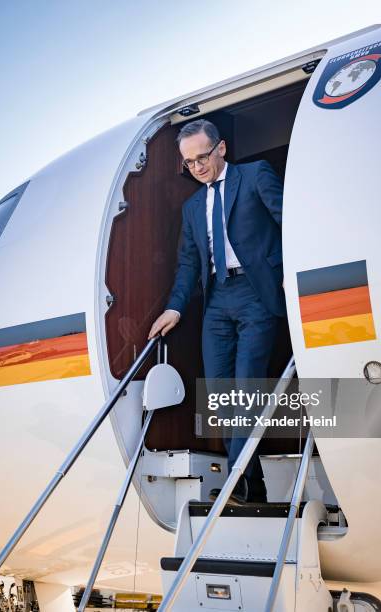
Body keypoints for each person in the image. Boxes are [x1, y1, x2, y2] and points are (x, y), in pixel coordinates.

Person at [148, 119, 285, 504]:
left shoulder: (255, 175)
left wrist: (291, 272)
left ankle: (236, 482)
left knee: (245, 389)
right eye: (188, 163)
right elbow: (189, 264)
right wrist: (175, 307)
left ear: (221, 148)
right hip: (218, 300)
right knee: (221, 397)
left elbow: (286, 221)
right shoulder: (192, 207)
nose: (197, 167)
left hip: (256, 291)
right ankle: (251, 483)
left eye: (202, 157)